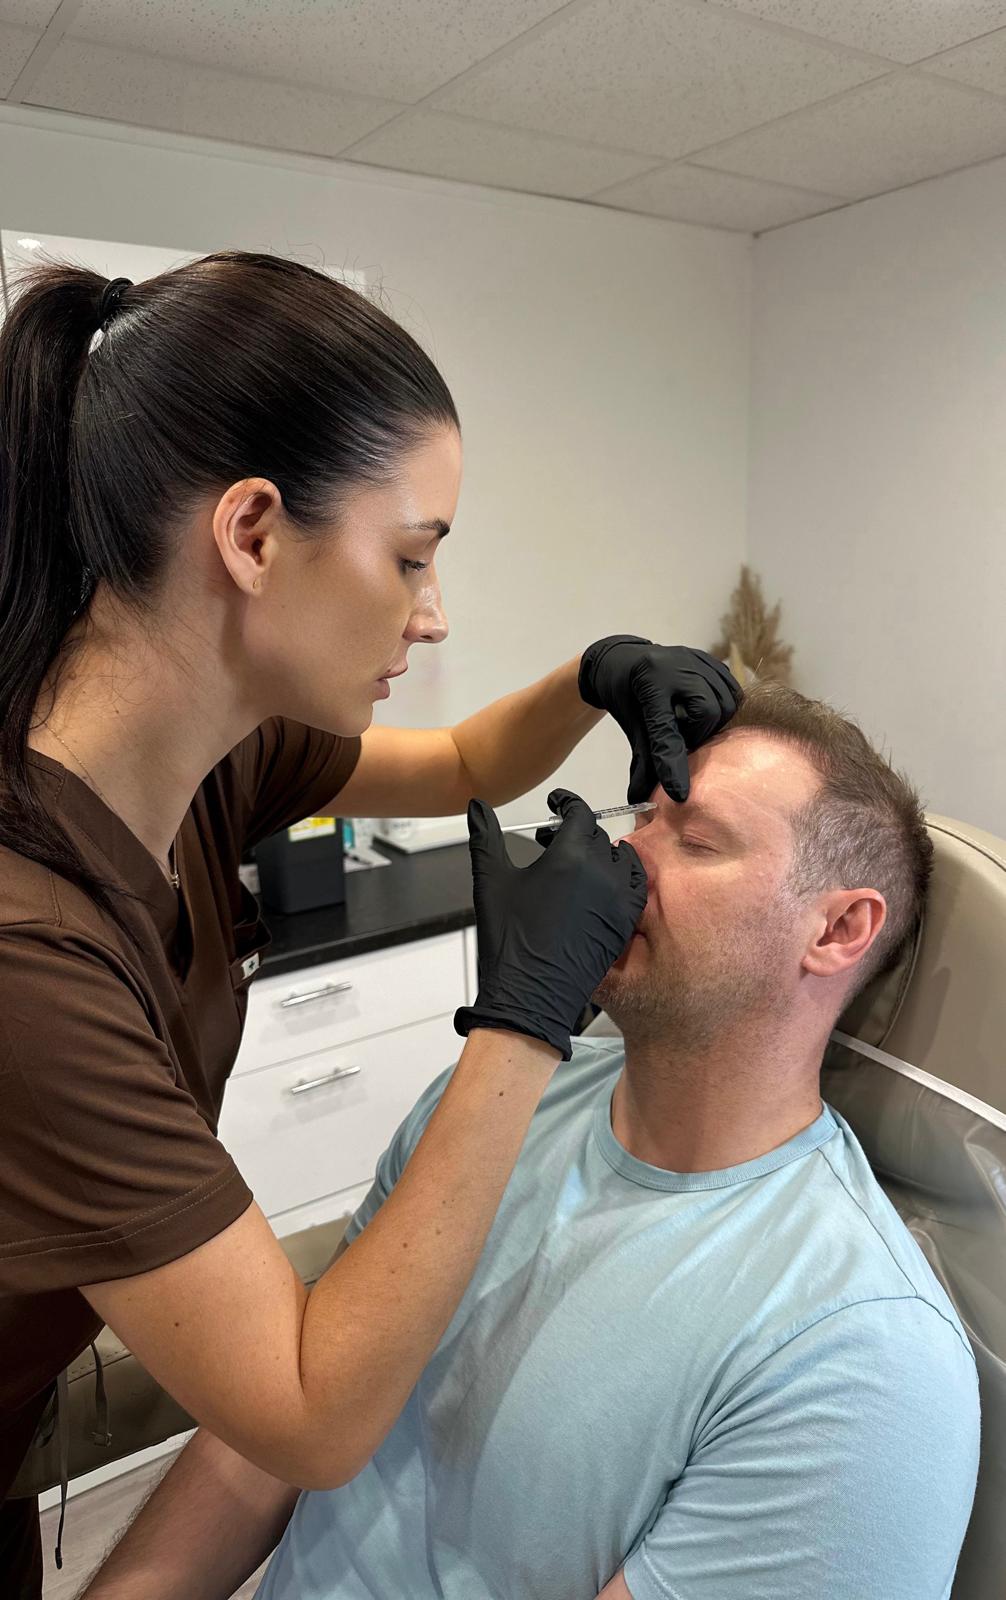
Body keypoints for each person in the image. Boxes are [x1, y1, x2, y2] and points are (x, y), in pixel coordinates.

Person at [0, 250, 741, 1597]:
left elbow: (460, 758)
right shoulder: (25, 954)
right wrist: (522, 1021)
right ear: (250, 533)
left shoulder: (209, 751)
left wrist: (594, 676)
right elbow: (309, 1415)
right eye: (408, 558)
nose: (432, 609)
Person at [81, 680, 980, 1600]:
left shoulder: (861, 1357)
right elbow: (288, 1416)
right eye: (641, 820)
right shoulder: (494, 1110)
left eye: (697, 840)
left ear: (837, 929)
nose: (622, 860)